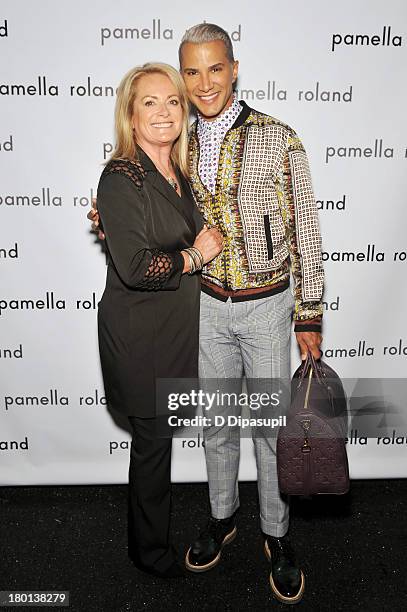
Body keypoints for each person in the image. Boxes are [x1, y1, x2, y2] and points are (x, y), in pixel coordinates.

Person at [89, 24, 324, 604]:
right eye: (189, 73)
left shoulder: (279, 137)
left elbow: (309, 233)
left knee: (271, 433)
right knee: (218, 427)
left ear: (234, 68)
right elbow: (145, 206)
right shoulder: (180, 141)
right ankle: (223, 517)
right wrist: (110, 219)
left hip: (267, 308)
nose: (201, 83)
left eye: (214, 69)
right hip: (205, 311)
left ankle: (277, 534)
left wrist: (309, 312)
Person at [95, 61, 223, 578]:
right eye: (150, 102)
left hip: (173, 332)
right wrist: (196, 255)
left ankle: (147, 541)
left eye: (172, 100)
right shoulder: (122, 175)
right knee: (152, 449)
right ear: (131, 113)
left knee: (158, 443)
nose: (165, 111)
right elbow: (135, 266)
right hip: (140, 335)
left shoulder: (178, 175)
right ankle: (150, 555)